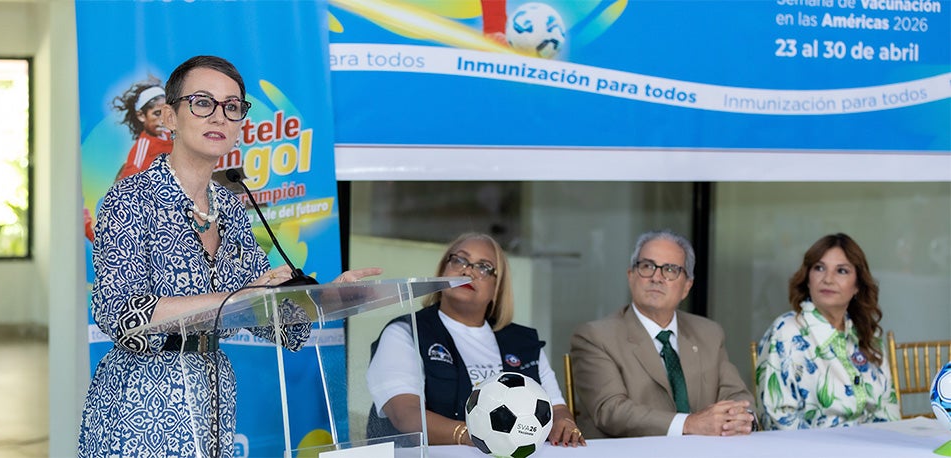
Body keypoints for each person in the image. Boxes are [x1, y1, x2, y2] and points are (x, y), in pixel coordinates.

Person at [77, 55, 380, 457]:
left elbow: (270, 321)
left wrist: (323, 299)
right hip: (140, 403)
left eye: (232, 107)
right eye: (202, 102)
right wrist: (234, 299)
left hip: (213, 396)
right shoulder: (129, 199)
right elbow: (120, 314)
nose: (219, 116)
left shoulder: (233, 208)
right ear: (169, 116)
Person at [366, 232, 585, 447]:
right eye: (459, 260)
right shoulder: (405, 332)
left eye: (483, 267)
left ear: (497, 288)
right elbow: (406, 416)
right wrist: (478, 437)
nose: (468, 270)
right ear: (442, 270)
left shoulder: (523, 342)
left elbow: (556, 408)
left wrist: (564, 423)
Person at [570, 229, 756, 438]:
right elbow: (611, 411)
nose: (657, 277)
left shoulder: (709, 333)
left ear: (687, 286)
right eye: (647, 266)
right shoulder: (595, 337)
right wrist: (689, 423)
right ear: (631, 276)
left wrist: (741, 418)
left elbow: (738, 396)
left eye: (670, 269)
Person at [755, 233, 899, 430]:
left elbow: (888, 411)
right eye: (819, 268)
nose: (828, 279)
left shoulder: (868, 335)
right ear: (808, 278)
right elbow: (778, 420)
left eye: (841, 271)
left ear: (857, 285)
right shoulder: (786, 332)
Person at [112, 76, 173, 181]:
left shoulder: (170, 136)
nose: (163, 119)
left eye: (166, 113)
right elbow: (127, 181)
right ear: (141, 116)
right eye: (157, 113)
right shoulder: (144, 146)